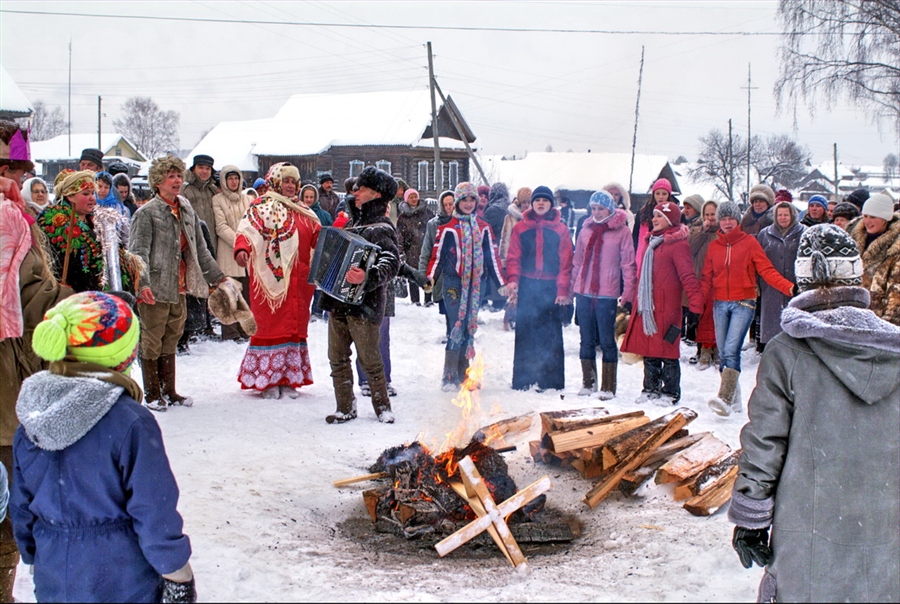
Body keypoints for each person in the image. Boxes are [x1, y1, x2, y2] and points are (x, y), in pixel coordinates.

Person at [727, 224, 899, 604]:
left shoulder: (788, 351)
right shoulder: (895, 352)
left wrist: (751, 518)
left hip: (809, 525)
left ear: (803, 278)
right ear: (855, 276)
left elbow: (765, 442)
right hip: (886, 525)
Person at [10, 292, 197, 603]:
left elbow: (21, 505)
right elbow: (153, 506)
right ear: (122, 356)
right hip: (121, 575)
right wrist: (176, 569)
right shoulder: (131, 422)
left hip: (54, 571)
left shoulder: (31, 420)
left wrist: (35, 555)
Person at [0, 121, 74, 602]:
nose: (19, 178)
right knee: (7, 496)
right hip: (4, 373)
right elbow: (33, 298)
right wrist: (78, 304)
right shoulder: (9, 218)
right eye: (12, 169)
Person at [129, 155, 226, 412]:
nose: (176, 180)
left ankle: (169, 391)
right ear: (157, 182)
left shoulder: (185, 208)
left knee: (172, 337)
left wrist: (217, 277)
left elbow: (200, 248)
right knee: (152, 339)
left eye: (179, 176)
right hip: (154, 287)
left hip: (179, 285)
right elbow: (137, 254)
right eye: (170, 176)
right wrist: (142, 285)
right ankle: (152, 393)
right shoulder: (146, 213)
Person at [318, 167, 401, 424]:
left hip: (365, 306)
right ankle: (345, 407)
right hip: (338, 302)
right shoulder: (352, 223)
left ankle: (383, 408)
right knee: (337, 358)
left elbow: (391, 263)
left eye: (361, 189)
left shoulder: (382, 227)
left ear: (375, 194)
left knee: (371, 361)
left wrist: (367, 276)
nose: (355, 192)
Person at [234, 163, 321, 399]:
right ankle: (267, 380)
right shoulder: (261, 207)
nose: (290, 186)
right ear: (275, 182)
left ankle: (289, 378)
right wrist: (242, 249)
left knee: (293, 327)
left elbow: (318, 240)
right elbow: (246, 231)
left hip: (299, 282)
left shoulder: (304, 211)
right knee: (270, 326)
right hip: (270, 281)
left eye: (294, 182)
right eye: (286, 181)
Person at [701, 200, 795, 416]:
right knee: (723, 352)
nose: (727, 223)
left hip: (744, 303)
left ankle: (725, 397)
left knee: (731, 350)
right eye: (723, 219)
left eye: (731, 219)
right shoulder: (714, 247)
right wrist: (698, 299)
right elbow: (706, 277)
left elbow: (766, 270)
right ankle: (734, 401)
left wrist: (789, 287)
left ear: (737, 220)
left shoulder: (750, 242)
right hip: (720, 303)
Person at [621, 201, 704, 405]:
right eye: (654, 215)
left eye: (660, 216)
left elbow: (688, 276)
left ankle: (670, 391)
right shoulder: (652, 242)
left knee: (667, 349)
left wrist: (695, 305)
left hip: (668, 306)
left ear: (670, 220)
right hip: (648, 305)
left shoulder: (678, 245)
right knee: (649, 347)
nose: (654, 219)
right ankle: (650, 387)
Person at [427, 181, 505, 391]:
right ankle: (449, 375)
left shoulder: (484, 228)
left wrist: (501, 283)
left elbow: (492, 257)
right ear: (458, 202)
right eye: (464, 200)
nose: (469, 203)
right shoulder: (448, 228)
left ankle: (464, 373)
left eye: (472, 199)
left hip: (477, 283)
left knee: (470, 326)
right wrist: (430, 278)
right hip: (454, 283)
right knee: (456, 325)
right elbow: (437, 257)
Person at [505, 185, 573, 392]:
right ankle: (524, 379)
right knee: (526, 331)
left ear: (551, 204)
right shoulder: (521, 228)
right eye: (537, 200)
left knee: (550, 333)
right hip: (528, 285)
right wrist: (513, 280)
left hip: (550, 286)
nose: (541, 203)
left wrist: (562, 290)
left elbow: (566, 262)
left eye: (544, 200)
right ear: (532, 204)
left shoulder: (561, 229)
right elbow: (513, 257)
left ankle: (550, 380)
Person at [569, 190, 636, 398]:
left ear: (610, 209)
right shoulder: (585, 230)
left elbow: (628, 264)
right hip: (583, 291)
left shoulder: (622, 232)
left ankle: (608, 386)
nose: (597, 212)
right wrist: (572, 286)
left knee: (607, 339)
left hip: (607, 293)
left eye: (601, 209)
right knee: (586, 339)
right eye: (594, 208)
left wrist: (628, 291)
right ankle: (588, 383)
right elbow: (577, 261)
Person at [37, 170, 141, 294]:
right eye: (86, 194)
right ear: (70, 196)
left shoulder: (96, 220)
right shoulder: (54, 220)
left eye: (93, 193)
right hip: (68, 294)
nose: (92, 198)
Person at [181, 154, 220, 345]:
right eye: (201, 168)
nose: (204, 171)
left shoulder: (213, 190)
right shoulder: (186, 190)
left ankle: (207, 324)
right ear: (193, 169)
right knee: (193, 285)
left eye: (207, 168)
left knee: (208, 284)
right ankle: (189, 328)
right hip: (193, 242)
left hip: (210, 240)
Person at [212, 165, 254, 341]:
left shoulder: (248, 199)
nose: (234, 182)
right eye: (230, 178)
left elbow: (253, 222)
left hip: (247, 253)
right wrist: (239, 243)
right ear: (224, 180)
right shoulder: (217, 200)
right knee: (229, 293)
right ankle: (230, 331)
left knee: (246, 294)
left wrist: (248, 243)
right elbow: (221, 226)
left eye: (236, 178)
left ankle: (245, 329)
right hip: (228, 251)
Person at [756, 201, 804, 352]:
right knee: (772, 325)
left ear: (792, 216)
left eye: (786, 215)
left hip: (795, 288)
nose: (783, 218)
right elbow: (757, 261)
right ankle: (772, 352)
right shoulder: (764, 234)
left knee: (795, 325)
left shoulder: (804, 232)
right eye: (780, 215)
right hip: (770, 288)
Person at [849, 193, 900, 326]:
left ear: (885, 218)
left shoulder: (895, 248)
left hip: (880, 319)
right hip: (852, 316)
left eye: (873, 217)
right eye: (865, 216)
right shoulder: (852, 240)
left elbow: (896, 290)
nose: (867, 221)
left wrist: (889, 325)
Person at [687, 199, 720, 370]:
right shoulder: (696, 230)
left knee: (716, 316)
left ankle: (717, 347)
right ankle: (702, 348)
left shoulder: (723, 232)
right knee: (701, 316)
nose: (710, 218)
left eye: (713, 214)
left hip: (718, 280)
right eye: (707, 214)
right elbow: (689, 249)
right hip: (700, 278)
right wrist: (702, 232)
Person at [419, 190, 456, 338]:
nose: (449, 207)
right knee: (446, 306)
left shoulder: (463, 222)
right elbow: (427, 249)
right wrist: (423, 274)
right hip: (440, 272)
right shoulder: (434, 224)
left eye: (451, 204)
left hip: (458, 271)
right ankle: (450, 333)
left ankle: (457, 335)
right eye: (445, 205)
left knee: (458, 305)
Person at [499, 187, 531, 330]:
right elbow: (505, 239)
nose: (526, 205)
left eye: (528, 202)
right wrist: (504, 260)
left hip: (528, 260)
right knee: (513, 293)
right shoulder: (511, 217)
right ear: (519, 202)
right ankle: (509, 318)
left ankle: (524, 317)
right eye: (524, 202)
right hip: (514, 258)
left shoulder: (533, 217)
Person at [397, 187, 434, 306]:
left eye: (415, 196)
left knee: (427, 273)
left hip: (426, 247)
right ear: (406, 199)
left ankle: (428, 298)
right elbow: (400, 235)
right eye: (411, 197)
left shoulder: (427, 213)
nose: (413, 199)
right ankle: (415, 300)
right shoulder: (403, 217)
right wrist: (400, 250)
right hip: (411, 249)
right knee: (413, 274)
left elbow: (434, 229)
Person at [633, 178, 674, 259]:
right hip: (643, 254)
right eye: (657, 193)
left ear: (669, 195)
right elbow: (635, 236)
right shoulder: (643, 213)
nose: (660, 197)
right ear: (653, 194)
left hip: (664, 255)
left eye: (664, 194)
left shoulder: (674, 213)